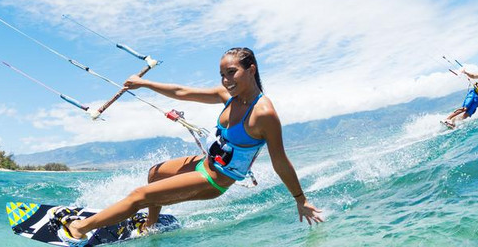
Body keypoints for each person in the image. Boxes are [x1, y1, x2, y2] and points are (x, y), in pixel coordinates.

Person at [53, 47, 323, 246]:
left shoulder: (263, 113)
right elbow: (182, 91)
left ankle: (79, 229)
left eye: (232, 73)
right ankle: (150, 226)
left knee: (140, 196)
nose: (226, 80)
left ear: (251, 69)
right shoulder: (228, 96)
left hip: (214, 180)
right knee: (155, 173)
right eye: (222, 75)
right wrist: (145, 83)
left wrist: (301, 200)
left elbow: (280, 161)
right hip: (204, 162)